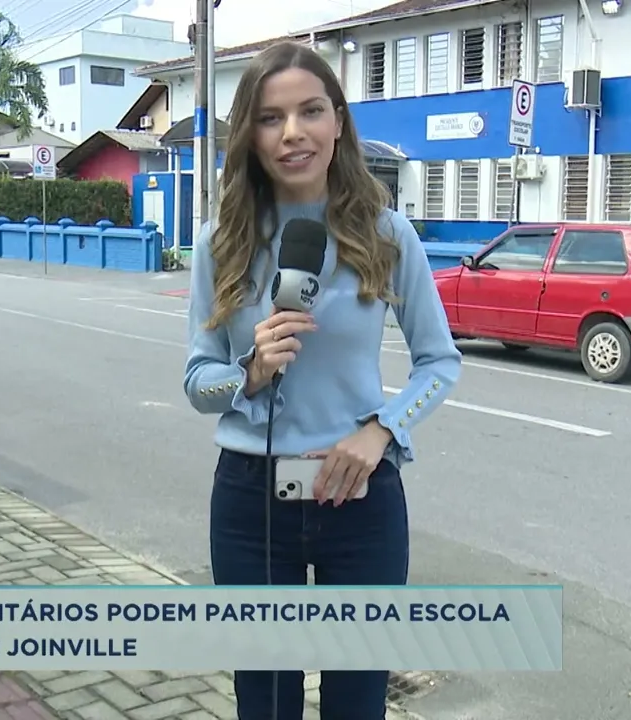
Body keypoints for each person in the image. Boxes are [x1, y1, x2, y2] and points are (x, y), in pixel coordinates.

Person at [181, 40, 462, 720]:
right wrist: (248, 370)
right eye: (272, 118)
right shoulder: (220, 243)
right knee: (266, 701)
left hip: (360, 500)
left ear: (338, 120)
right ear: (250, 134)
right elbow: (198, 384)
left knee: (358, 700)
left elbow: (439, 361)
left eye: (310, 111)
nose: (293, 133)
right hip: (252, 506)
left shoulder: (388, 235)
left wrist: (382, 432)